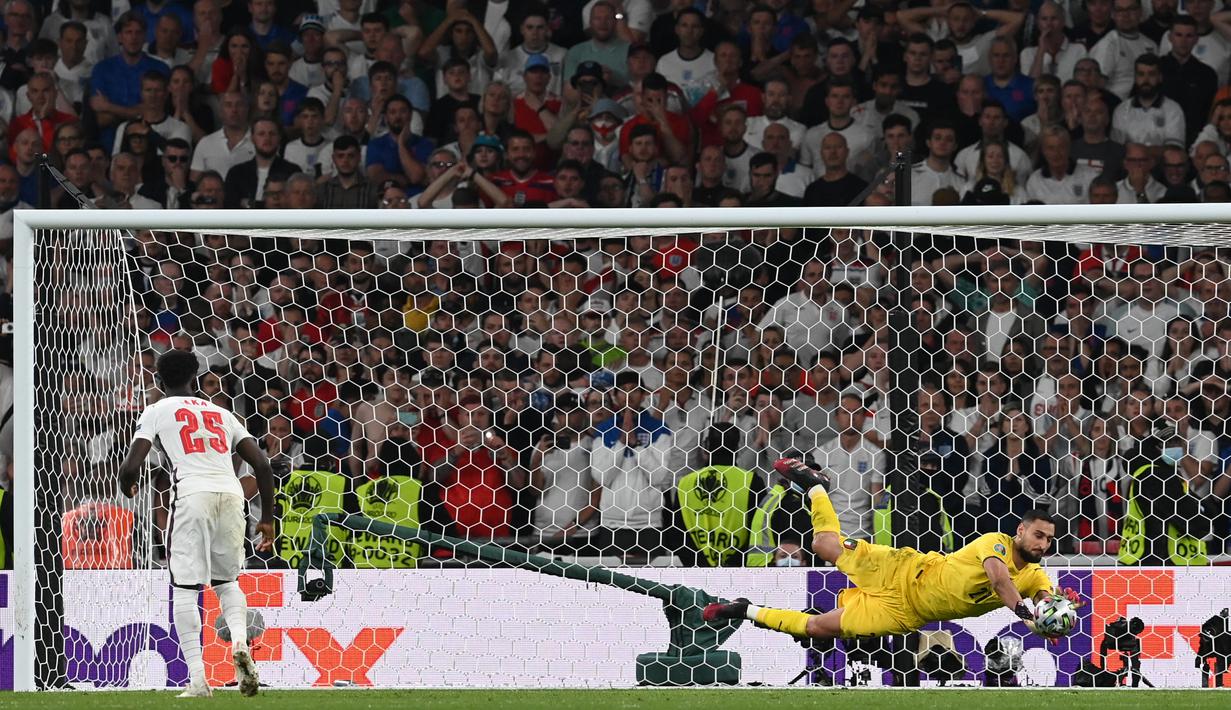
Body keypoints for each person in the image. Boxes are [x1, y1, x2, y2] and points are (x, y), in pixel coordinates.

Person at [704, 458, 1084, 645]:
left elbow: (1042, 602)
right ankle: (814, 486)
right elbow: (1001, 583)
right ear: (1021, 530)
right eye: (1038, 535)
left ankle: (744, 609)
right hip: (904, 571)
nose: (1042, 544)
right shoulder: (996, 543)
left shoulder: (1035, 575)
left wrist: (1054, 618)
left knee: (821, 628)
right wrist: (1027, 611)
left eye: (1049, 540)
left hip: (905, 612)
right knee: (822, 544)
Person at [116, 350, 277, 697]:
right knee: (227, 582)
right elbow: (262, 465)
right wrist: (267, 519)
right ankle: (239, 643)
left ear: (158, 381)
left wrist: (126, 483)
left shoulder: (156, 410)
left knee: (185, 588)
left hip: (191, 496)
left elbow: (132, 464)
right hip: (231, 496)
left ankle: (198, 680)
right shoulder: (223, 413)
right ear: (195, 380)